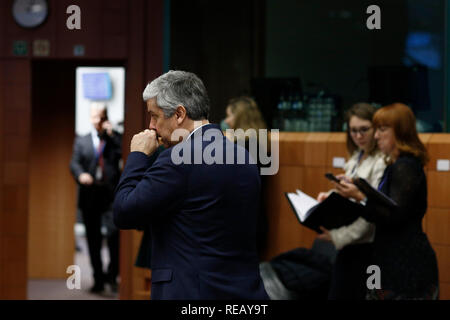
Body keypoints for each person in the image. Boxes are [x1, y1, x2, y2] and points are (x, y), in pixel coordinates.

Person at [113, 70, 269, 300]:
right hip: (244, 293)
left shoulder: (178, 159)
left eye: (154, 116)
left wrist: (137, 155)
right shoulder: (244, 157)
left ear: (179, 114)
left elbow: (124, 212)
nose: (151, 126)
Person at [332, 103, 439, 300]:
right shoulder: (395, 165)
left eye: (382, 129)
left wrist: (361, 197)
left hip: (406, 261)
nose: (376, 136)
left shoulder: (405, 166)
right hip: (389, 257)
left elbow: (394, 216)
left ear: (400, 131)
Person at [316, 103, 386, 299]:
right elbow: (351, 198)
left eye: (364, 130)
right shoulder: (357, 157)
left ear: (376, 130)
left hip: (368, 248)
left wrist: (337, 236)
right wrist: (332, 195)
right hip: (350, 247)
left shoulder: (381, 162)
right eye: (353, 131)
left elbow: (371, 212)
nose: (358, 136)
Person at [70, 102, 122, 293]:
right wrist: (80, 174)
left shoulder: (114, 138)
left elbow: (123, 154)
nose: (96, 120)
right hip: (90, 195)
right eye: (93, 116)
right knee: (93, 240)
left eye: (100, 116)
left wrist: (112, 136)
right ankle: (98, 280)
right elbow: (73, 163)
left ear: (105, 117)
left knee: (115, 237)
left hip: (111, 196)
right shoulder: (81, 140)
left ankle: (112, 276)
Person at [224, 96, 269, 259]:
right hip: (254, 220)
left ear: (240, 118)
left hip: (240, 223)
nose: (227, 121)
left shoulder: (244, 147)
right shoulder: (261, 144)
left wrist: (228, 146)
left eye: (230, 115)